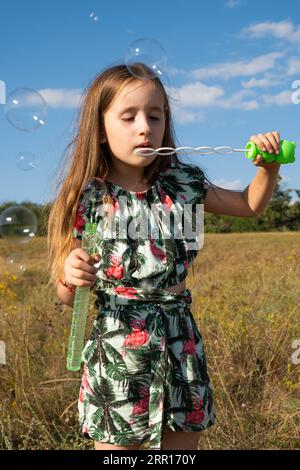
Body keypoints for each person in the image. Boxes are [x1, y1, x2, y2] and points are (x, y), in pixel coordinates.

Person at [47, 62, 281, 451]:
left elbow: (248, 205)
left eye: (154, 116)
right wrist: (71, 277)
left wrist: (268, 169)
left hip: (178, 341)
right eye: (129, 116)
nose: (145, 127)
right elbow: (68, 294)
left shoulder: (184, 184)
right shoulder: (88, 197)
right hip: (119, 345)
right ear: (100, 130)